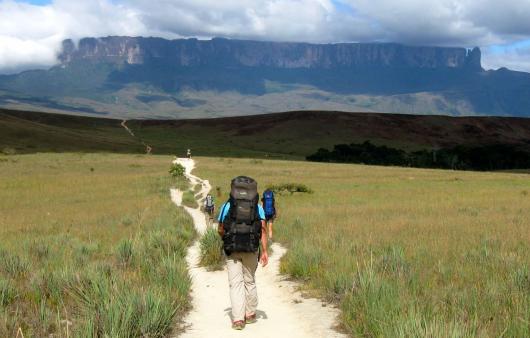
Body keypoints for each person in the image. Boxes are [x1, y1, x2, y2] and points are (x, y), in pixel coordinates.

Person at [218, 176, 268, 330]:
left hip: (232, 249)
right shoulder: (258, 207)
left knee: (235, 284)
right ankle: (251, 314)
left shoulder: (226, 205)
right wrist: (265, 251)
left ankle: (238, 320)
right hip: (252, 249)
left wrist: (226, 237)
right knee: (250, 281)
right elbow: (263, 230)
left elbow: (220, 228)